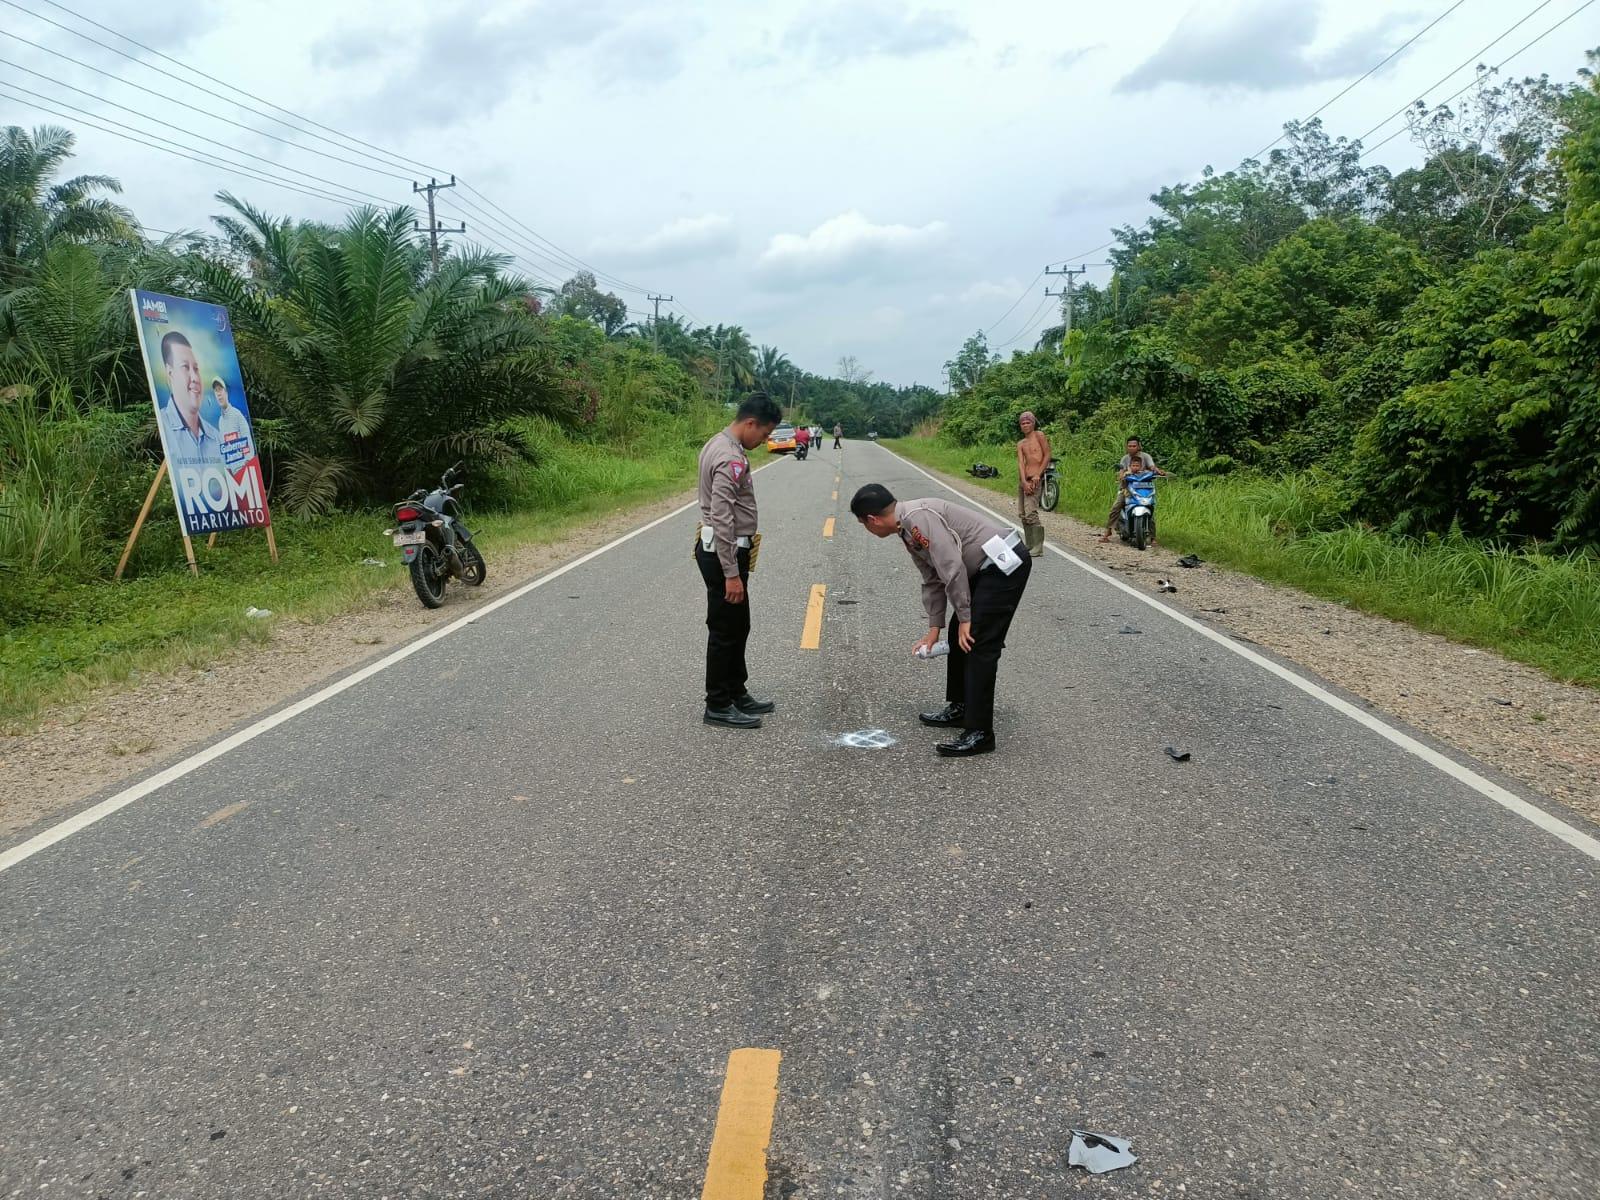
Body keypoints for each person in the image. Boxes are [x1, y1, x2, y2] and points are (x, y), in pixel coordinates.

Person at [850, 484, 1032, 757]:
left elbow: (952, 566)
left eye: (864, 524)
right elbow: (933, 578)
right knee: (957, 635)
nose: (868, 529)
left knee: (977, 643)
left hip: (1002, 565)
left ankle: (980, 732)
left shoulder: (917, 519)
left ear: (872, 519)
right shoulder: (906, 528)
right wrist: (934, 628)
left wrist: (966, 615)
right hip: (984, 568)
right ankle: (961, 707)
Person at [697, 392, 783, 729]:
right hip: (724, 552)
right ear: (750, 423)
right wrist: (731, 572)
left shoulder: (717, 443)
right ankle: (717, 704)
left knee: (738, 625)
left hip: (726, 550)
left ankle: (736, 691)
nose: (763, 441)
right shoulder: (729, 458)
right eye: (763, 434)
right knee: (724, 631)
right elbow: (721, 516)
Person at [158, 332, 221, 468]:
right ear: (170, 373)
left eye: (196, 369)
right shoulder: (162, 429)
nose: (195, 378)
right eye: (185, 367)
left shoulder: (217, 438)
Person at [1100, 437, 1167, 543]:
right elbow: (1121, 471)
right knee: (1116, 506)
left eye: (1134, 446)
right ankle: (1108, 531)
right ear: (1126, 447)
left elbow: (1152, 467)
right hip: (1128, 489)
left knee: (1150, 508)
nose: (1131, 448)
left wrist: (1159, 471)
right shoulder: (1125, 459)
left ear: (1139, 446)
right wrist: (1122, 476)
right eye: (1129, 446)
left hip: (1144, 488)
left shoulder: (1146, 456)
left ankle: (1153, 537)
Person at [1014, 411, 1050, 558]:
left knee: (1031, 513)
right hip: (1024, 479)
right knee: (1023, 514)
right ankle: (1029, 544)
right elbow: (1021, 463)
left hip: (1036, 478)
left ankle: (1038, 547)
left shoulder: (1039, 435)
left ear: (1033, 423)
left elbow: (1047, 454)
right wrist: (1023, 481)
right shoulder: (1021, 443)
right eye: (1023, 423)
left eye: (1028, 422)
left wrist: (1038, 474)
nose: (1025, 425)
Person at [211, 377, 255, 472]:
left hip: (244, 469)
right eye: (216, 391)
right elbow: (224, 447)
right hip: (232, 474)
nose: (219, 394)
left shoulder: (237, 414)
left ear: (226, 392)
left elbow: (248, 442)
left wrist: (247, 465)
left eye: (220, 389)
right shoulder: (220, 421)